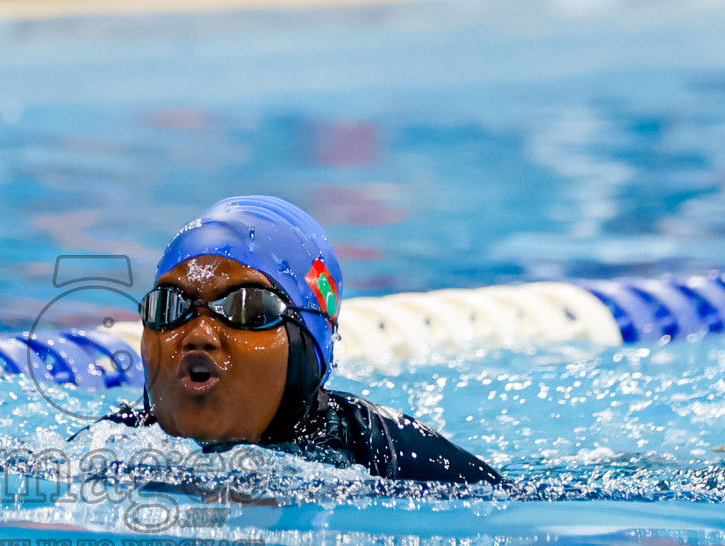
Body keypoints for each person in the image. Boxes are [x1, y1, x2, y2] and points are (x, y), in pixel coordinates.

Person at [102, 195, 502, 484]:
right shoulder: (116, 447)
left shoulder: (378, 452)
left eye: (247, 308)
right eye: (171, 306)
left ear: (310, 341)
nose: (198, 335)